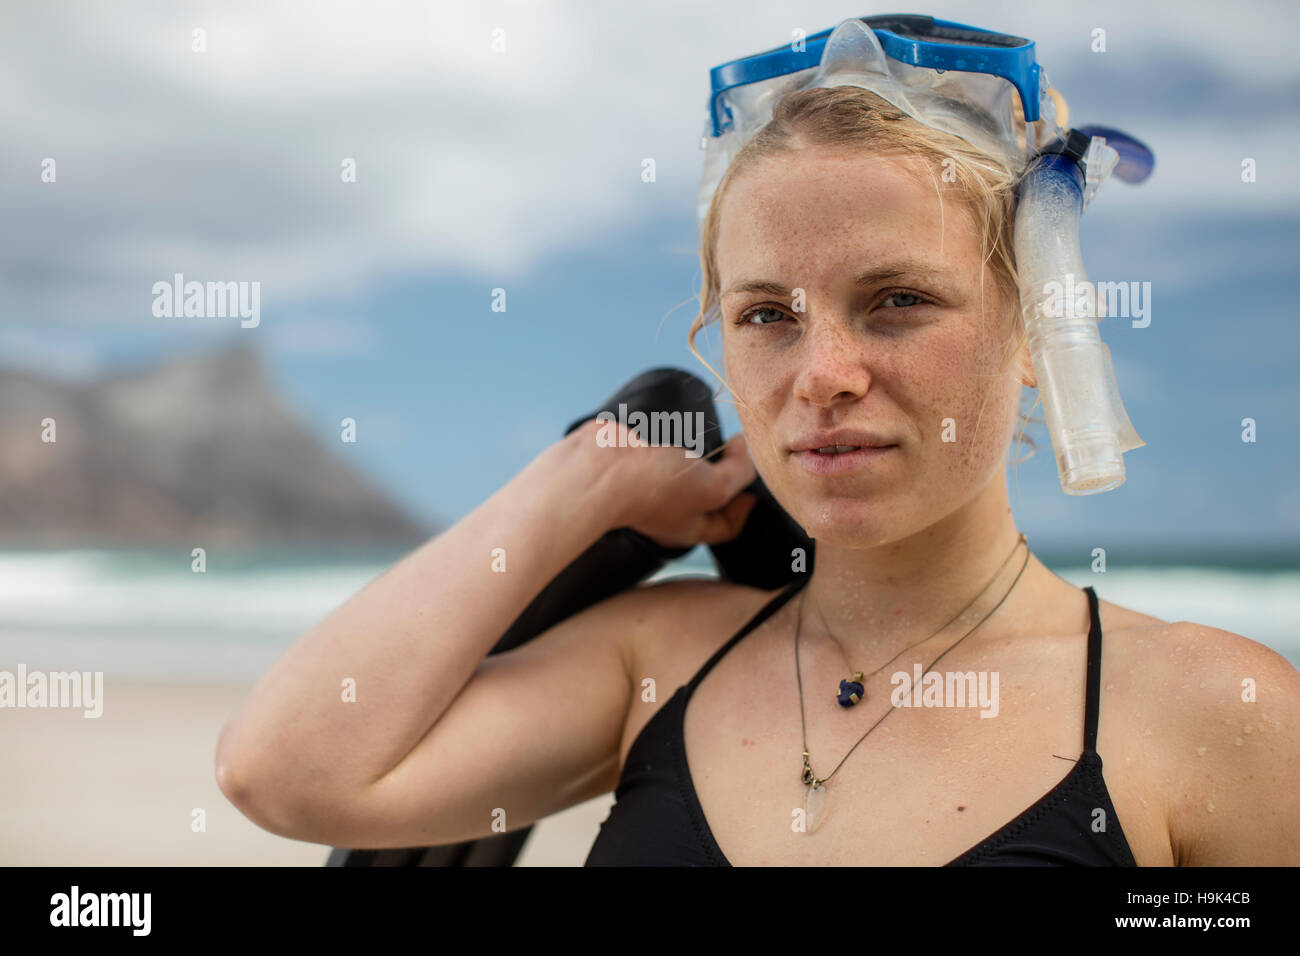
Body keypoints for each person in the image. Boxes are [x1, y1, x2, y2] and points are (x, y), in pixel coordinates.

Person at [215, 17, 1300, 866]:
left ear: (1031, 330)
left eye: (898, 299)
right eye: (767, 315)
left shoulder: (1210, 712)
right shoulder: (660, 663)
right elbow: (286, 768)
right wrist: (585, 476)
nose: (822, 373)